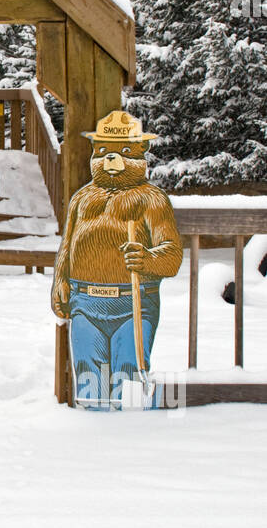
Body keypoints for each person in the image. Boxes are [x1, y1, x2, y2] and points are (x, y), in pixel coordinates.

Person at [52, 111, 182, 410]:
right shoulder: (82, 198)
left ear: (140, 156)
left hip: (133, 302)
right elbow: (68, 245)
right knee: (88, 371)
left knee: (129, 370)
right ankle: (94, 422)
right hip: (85, 302)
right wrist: (61, 281)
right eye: (103, 152)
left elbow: (172, 256)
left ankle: (129, 431)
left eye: (123, 152)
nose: (112, 159)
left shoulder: (151, 199)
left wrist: (147, 258)